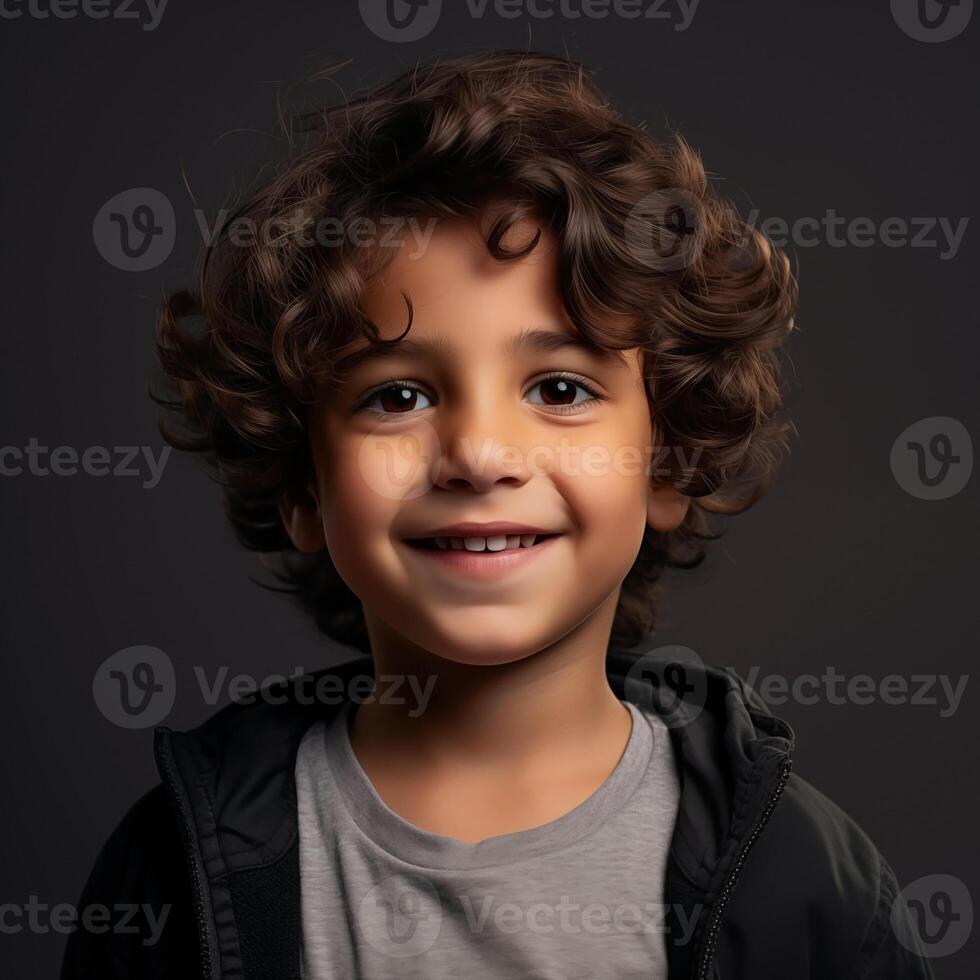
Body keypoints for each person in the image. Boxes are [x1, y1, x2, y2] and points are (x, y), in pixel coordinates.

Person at [62, 50, 932, 979]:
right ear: (303, 488)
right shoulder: (173, 873)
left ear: (668, 465)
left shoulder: (805, 887)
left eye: (559, 387)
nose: (479, 454)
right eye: (396, 398)